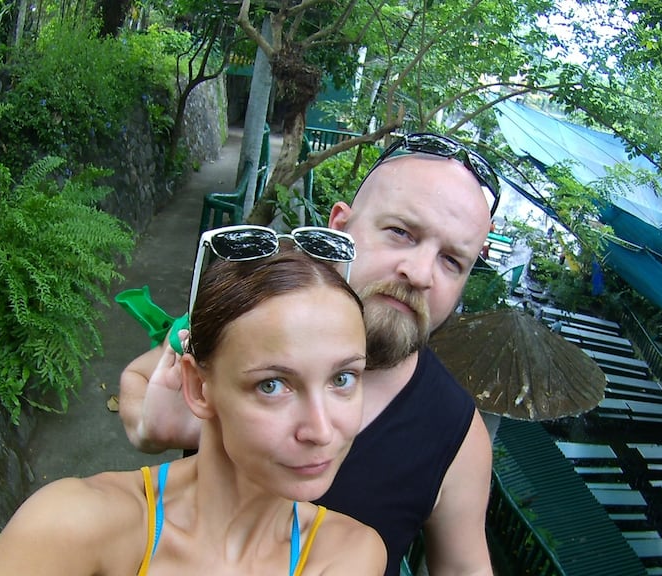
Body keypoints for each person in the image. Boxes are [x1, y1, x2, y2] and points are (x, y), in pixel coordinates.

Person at [0, 244, 385, 576]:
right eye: (273, 385)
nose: (321, 429)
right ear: (199, 388)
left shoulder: (348, 556)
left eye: (343, 379)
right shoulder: (89, 525)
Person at [120, 132, 499, 576]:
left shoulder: (457, 434)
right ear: (340, 226)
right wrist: (147, 429)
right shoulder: (254, 316)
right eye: (401, 233)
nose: (420, 273)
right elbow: (140, 378)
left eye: (452, 261)